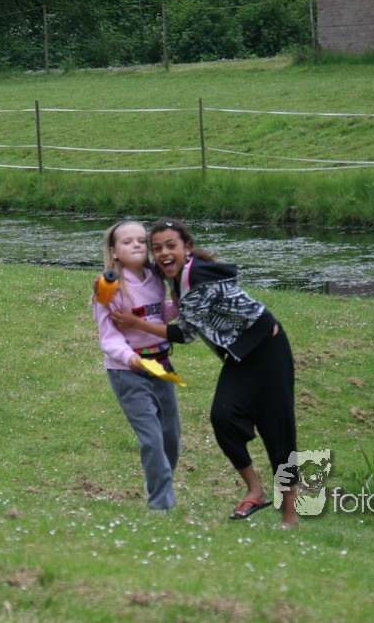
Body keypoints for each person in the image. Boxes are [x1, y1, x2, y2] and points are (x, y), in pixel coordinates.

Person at [112, 218, 299, 528]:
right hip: (240, 355)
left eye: (171, 246)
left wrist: (135, 323)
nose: (163, 253)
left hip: (268, 349)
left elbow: (184, 334)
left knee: (277, 430)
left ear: (187, 247)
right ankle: (255, 490)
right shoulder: (172, 271)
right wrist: (109, 275)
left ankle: (290, 516)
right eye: (157, 248)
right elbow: (136, 270)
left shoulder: (196, 275)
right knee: (223, 417)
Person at [94, 220, 181, 512]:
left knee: (171, 436)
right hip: (128, 371)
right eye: (127, 241)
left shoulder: (155, 279)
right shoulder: (109, 288)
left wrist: (176, 303)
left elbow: (158, 315)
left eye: (141, 241)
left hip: (161, 366)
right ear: (113, 251)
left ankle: (158, 482)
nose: (136, 245)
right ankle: (161, 504)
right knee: (152, 438)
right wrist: (128, 356)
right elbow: (108, 336)